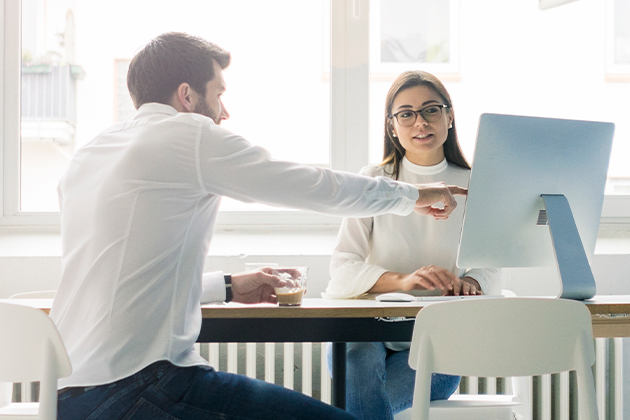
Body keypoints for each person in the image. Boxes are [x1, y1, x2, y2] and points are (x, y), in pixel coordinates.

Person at [49, 32, 468, 420]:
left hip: (70, 396)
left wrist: (229, 286)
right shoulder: (188, 134)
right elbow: (312, 186)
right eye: (219, 94)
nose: (224, 112)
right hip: (142, 384)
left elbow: (124, 280)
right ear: (187, 95)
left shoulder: (90, 156)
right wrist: (415, 195)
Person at [322, 70, 502, 420]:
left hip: (439, 343)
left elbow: (491, 266)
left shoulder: (474, 185)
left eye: (431, 110)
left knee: (359, 407)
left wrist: (474, 283)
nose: (420, 122)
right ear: (392, 126)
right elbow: (342, 270)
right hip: (367, 331)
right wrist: (403, 281)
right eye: (406, 113)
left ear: (449, 116)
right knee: (358, 355)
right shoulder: (374, 182)